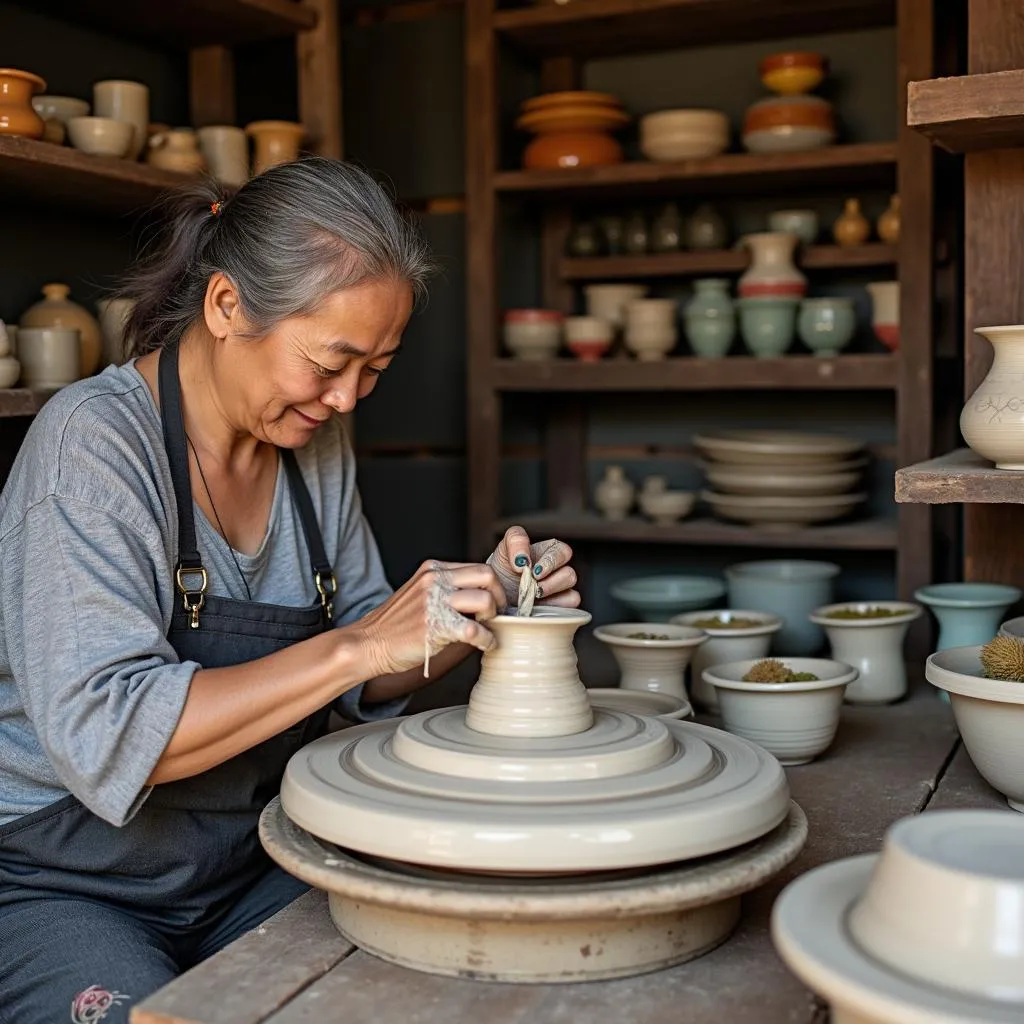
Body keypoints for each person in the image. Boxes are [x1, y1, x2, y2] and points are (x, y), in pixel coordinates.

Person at [0, 158, 579, 1024]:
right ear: (228, 306)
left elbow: (360, 678)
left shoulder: (311, 447)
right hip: (68, 881)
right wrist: (359, 643)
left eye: (375, 369)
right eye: (331, 361)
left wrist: (467, 614)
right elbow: (111, 734)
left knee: (429, 985)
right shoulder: (91, 447)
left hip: (258, 859)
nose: (346, 399)